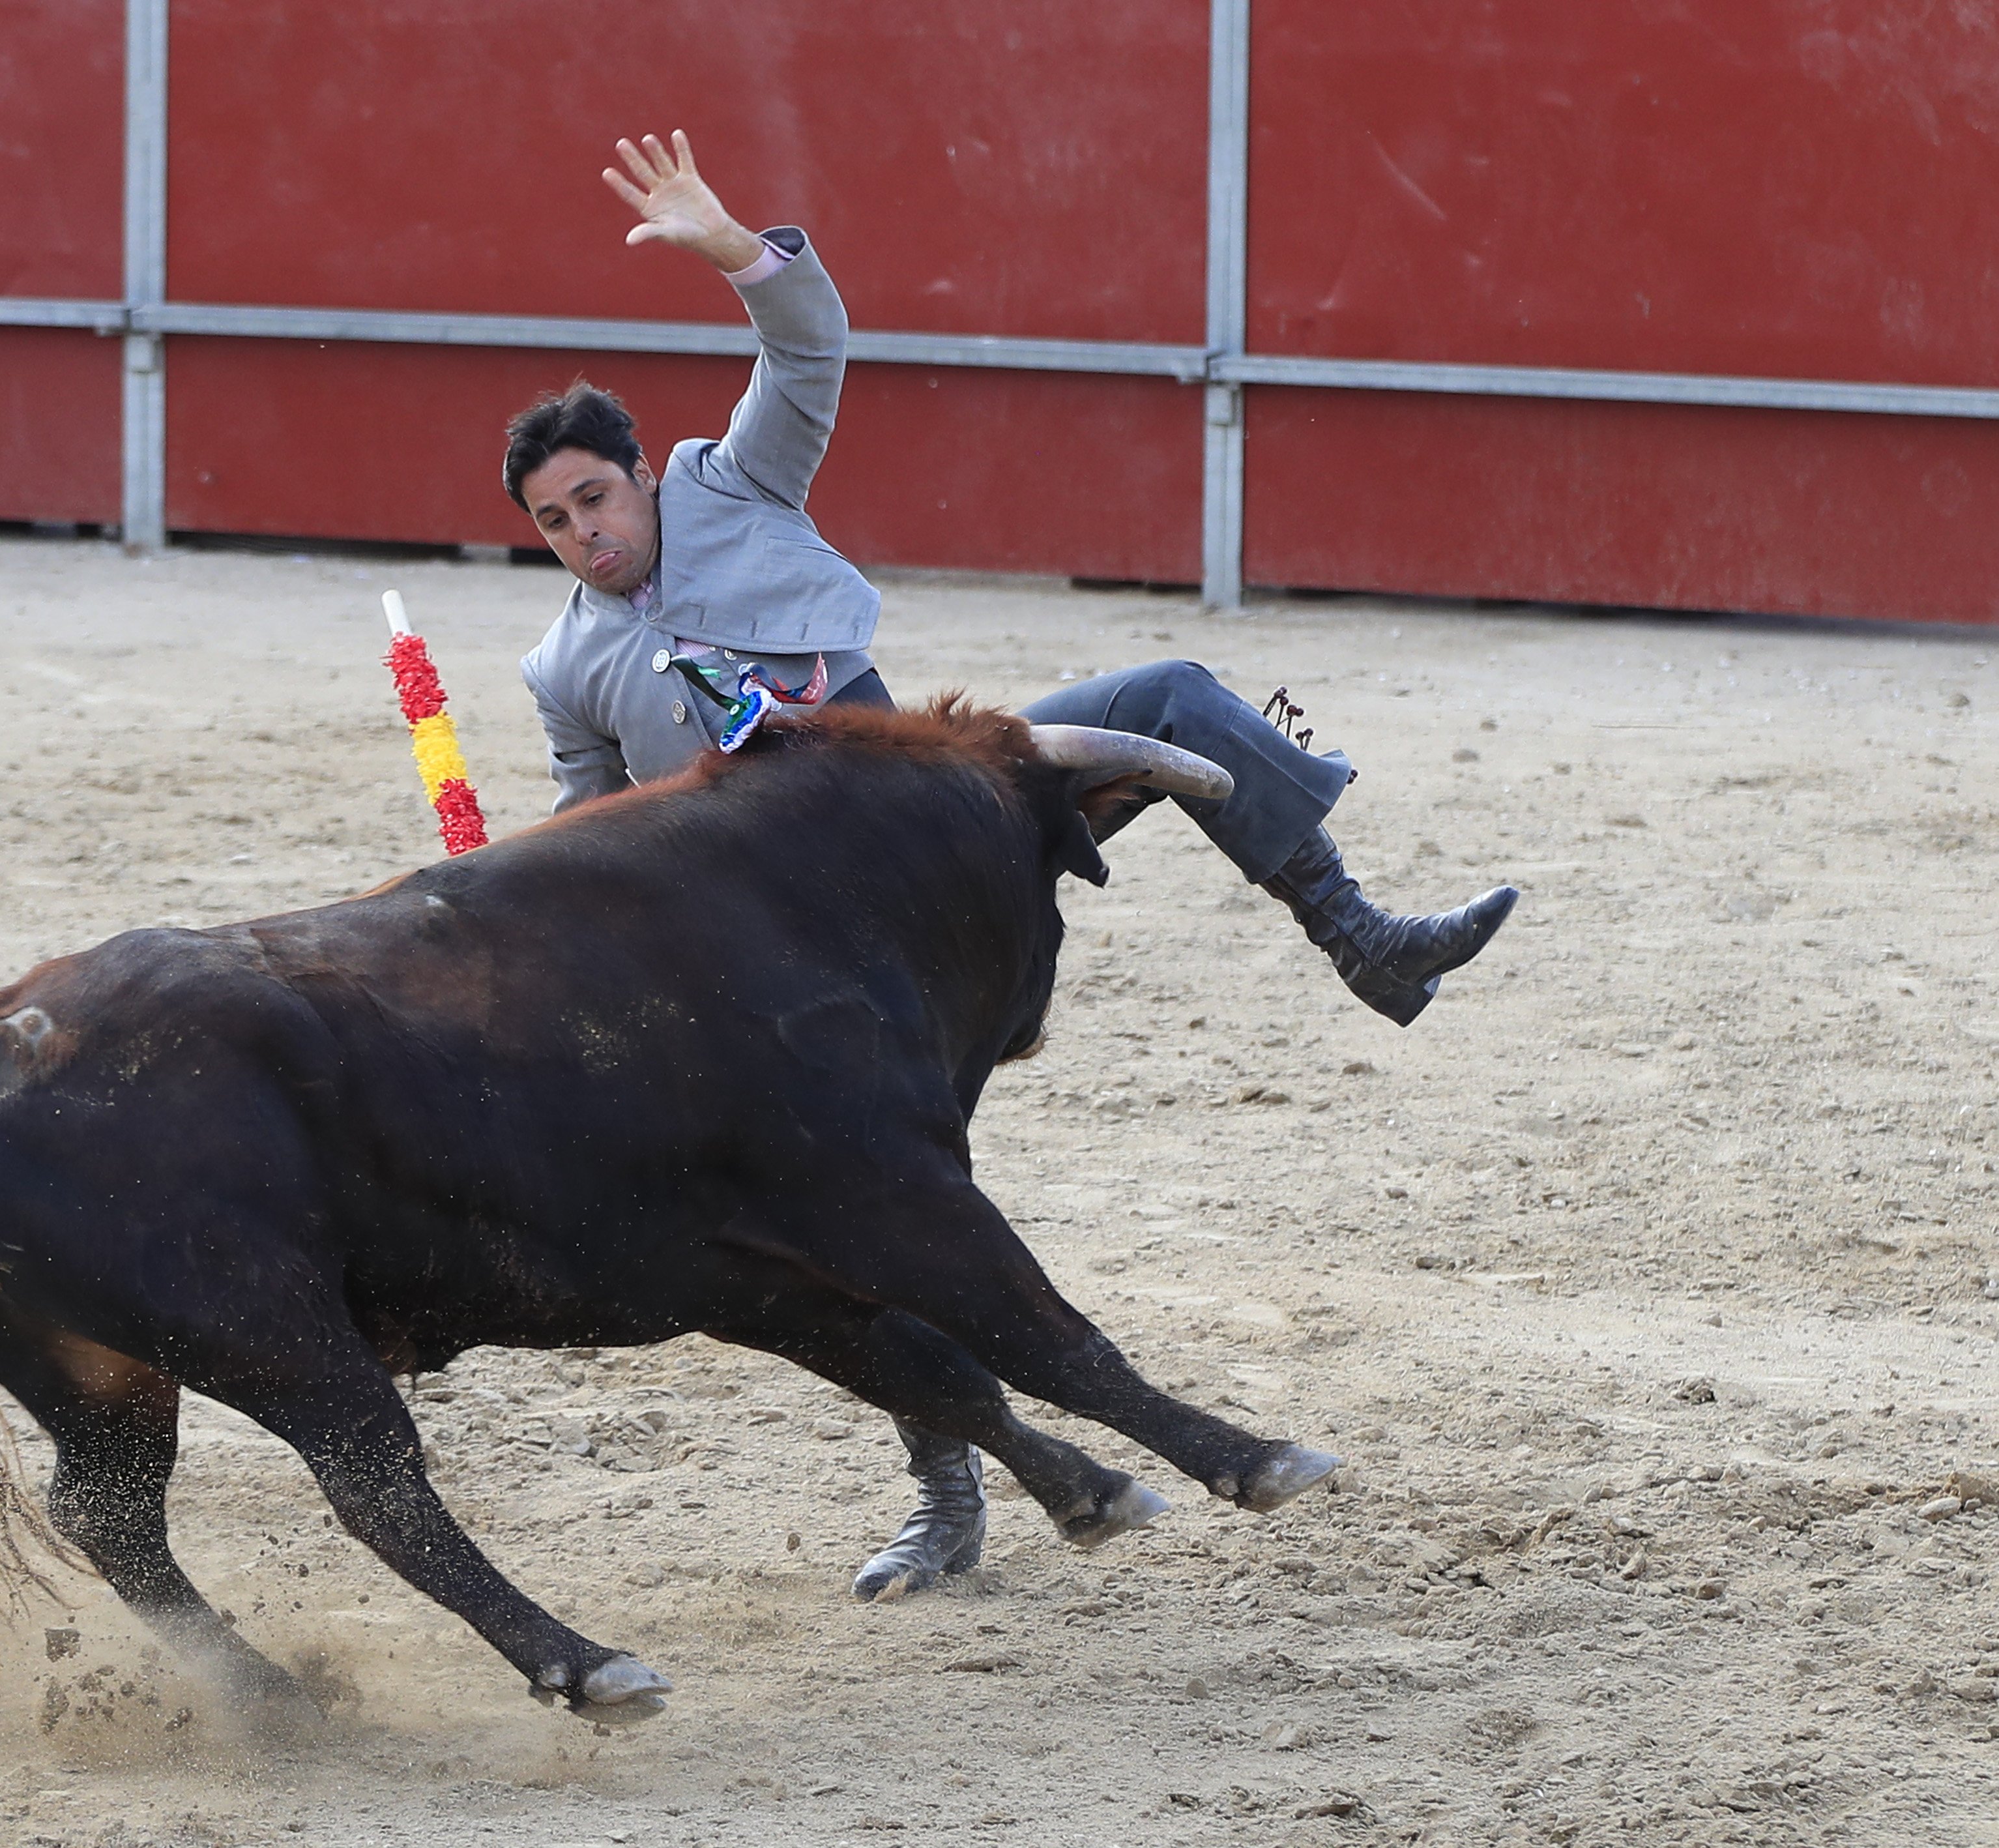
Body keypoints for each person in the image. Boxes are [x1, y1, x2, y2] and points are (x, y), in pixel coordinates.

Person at [509, 132, 1513, 1601]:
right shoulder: (560, 663)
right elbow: (584, 832)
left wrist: (730, 247)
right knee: (880, 1207)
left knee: (1163, 694)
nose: (583, 536)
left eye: (596, 498)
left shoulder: (735, 484)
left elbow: (809, 341)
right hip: (782, 932)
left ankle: (1357, 934)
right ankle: (944, 1494)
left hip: (910, 806)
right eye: (551, 522)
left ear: (643, 476)